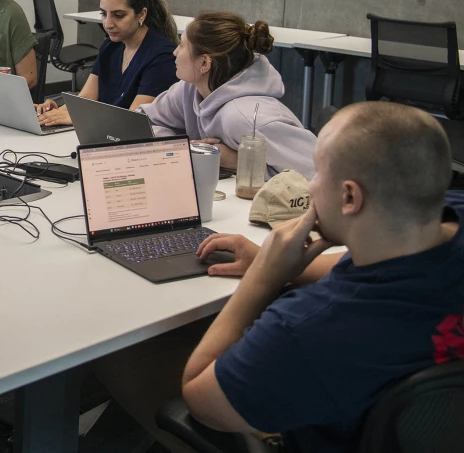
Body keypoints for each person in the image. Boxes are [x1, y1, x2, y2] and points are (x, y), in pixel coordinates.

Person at [181, 102, 464, 452]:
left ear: (349, 196)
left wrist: (262, 278)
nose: (311, 185)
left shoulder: (308, 326)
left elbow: (198, 398)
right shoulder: (447, 214)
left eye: (316, 172)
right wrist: (267, 259)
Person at [140, 11, 316, 177]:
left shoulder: (245, 119)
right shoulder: (189, 89)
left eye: (182, 45)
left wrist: (240, 162)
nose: (175, 52)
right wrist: (181, 149)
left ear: (204, 63)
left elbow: (317, 172)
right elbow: (142, 121)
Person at [36, 0, 178, 126]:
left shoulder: (162, 57)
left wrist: (78, 118)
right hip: (106, 133)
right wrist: (54, 112)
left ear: (142, 14)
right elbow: (85, 99)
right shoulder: (111, 46)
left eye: (118, 15)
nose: (108, 24)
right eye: (103, 14)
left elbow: (134, 121)